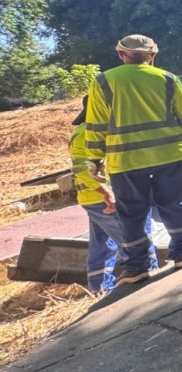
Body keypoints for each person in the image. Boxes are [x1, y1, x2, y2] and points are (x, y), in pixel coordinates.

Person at [85, 35, 182, 285]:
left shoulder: (104, 81)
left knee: (131, 214)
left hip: (125, 161)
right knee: (176, 203)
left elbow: (96, 124)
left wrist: (93, 159)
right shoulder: (168, 79)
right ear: (152, 56)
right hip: (170, 154)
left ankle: (136, 267)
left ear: (120, 54)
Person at [69, 96, 125, 294]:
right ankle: (137, 285)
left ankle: (99, 287)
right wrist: (106, 193)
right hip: (101, 198)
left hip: (94, 199)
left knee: (102, 244)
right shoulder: (87, 134)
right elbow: (82, 169)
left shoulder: (86, 131)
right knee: (129, 240)